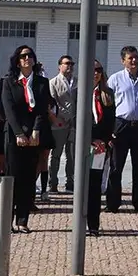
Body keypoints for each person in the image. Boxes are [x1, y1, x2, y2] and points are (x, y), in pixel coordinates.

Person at [0, 45, 54, 233]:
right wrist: (18, 133)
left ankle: (22, 220)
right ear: (17, 61)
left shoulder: (41, 82)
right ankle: (7, 219)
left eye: (30, 55)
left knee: (29, 178)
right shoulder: (9, 82)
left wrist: (36, 130)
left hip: (33, 135)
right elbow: (9, 110)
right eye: (23, 56)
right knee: (13, 177)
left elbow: (42, 108)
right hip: (14, 135)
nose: (27, 58)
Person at [106, 46, 138, 214]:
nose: (134, 61)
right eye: (130, 58)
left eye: (136, 57)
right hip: (120, 126)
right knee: (116, 166)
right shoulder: (115, 79)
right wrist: (109, 129)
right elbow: (108, 105)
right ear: (123, 61)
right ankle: (112, 203)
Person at [86, 61, 115, 237]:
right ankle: (79, 223)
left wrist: (103, 140)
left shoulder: (107, 94)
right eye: (92, 69)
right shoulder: (78, 92)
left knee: (95, 186)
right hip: (83, 144)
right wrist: (90, 139)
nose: (95, 73)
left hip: (99, 148)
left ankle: (93, 225)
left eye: (98, 70)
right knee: (81, 186)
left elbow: (110, 121)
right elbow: (74, 119)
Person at [47, 55, 78, 197]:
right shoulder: (53, 82)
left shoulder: (77, 82)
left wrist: (75, 118)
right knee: (56, 155)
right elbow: (53, 102)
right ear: (60, 66)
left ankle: (70, 183)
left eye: (71, 64)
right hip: (59, 123)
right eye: (66, 63)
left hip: (74, 124)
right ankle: (52, 183)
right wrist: (62, 117)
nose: (69, 66)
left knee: (72, 155)